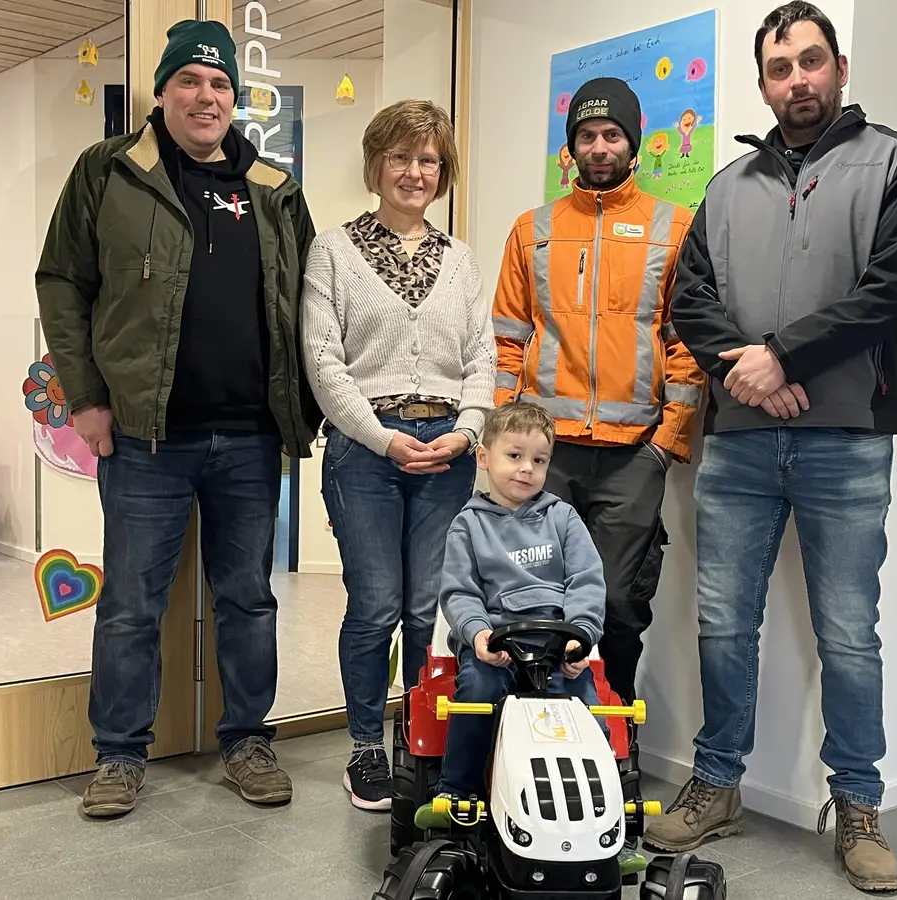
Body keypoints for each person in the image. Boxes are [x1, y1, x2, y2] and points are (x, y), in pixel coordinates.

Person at [644, 3, 897, 893]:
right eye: (780, 68)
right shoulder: (728, 185)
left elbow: (894, 288)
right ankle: (718, 783)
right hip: (738, 440)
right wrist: (755, 373)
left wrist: (783, 356)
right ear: (763, 83)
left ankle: (858, 804)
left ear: (839, 68)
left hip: (847, 439)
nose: (797, 79)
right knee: (722, 621)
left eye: (812, 61)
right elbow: (690, 299)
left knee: (848, 633)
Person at [36, 19, 321, 818]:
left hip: (251, 437)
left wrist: (307, 411)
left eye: (220, 83)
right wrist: (85, 398)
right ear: (161, 92)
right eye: (189, 81)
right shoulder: (109, 170)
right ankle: (119, 755)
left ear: (235, 97)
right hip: (144, 436)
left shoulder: (274, 187)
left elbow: (311, 303)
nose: (205, 96)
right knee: (131, 604)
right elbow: (61, 281)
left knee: (249, 599)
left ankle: (248, 741)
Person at [301, 99, 494, 811]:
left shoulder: (460, 260)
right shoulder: (333, 251)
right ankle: (363, 748)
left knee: (426, 609)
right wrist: (383, 437)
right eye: (400, 157)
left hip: (448, 449)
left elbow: (482, 358)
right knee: (377, 604)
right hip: (364, 450)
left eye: (429, 160)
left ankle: (419, 741)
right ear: (376, 165)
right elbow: (323, 362)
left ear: (444, 172)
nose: (415, 172)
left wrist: (467, 430)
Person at [491, 76, 705, 705]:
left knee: (616, 604)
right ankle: (529, 729)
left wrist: (666, 443)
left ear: (634, 142)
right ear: (572, 147)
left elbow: (687, 342)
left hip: (633, 456)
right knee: (533, 597)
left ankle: (612, 732)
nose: (600, 147)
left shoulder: (675, 227)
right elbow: (507, 339)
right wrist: (506, 437)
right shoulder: (532, 229)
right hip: (545, 455)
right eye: (587, 135)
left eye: (612, 134)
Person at [433, 401, 606, 804]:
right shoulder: (468, 524)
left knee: (587, 712)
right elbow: (460, 592)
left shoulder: (563, 518)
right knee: (478, 693)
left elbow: (586, 581)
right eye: (514, 456)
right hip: (496, 644)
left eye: (539, 460)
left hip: (558, 643)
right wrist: (478, 635)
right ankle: (458, 791)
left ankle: (595, 798)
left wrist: (581, 635)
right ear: (483, 458)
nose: (527, 468)